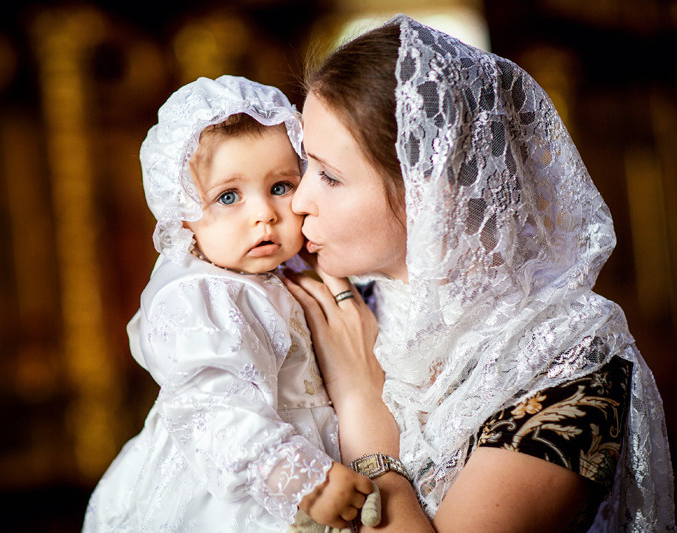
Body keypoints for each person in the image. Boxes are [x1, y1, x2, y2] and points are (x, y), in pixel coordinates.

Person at [283, 14, 676, 532]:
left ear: (432, 192)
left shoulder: (572, 366)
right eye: (305, 165)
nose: (300, 201)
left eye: (330, 176)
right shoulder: (344, 300)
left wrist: (361, 404)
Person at [82, 75, 380, 533]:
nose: (264, 213)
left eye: (281, 186)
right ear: (182, 213)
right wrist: (303, 480)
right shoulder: (198, 294)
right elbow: (212, 405)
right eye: (228, 196)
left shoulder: (285, 274)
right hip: (244, 486)